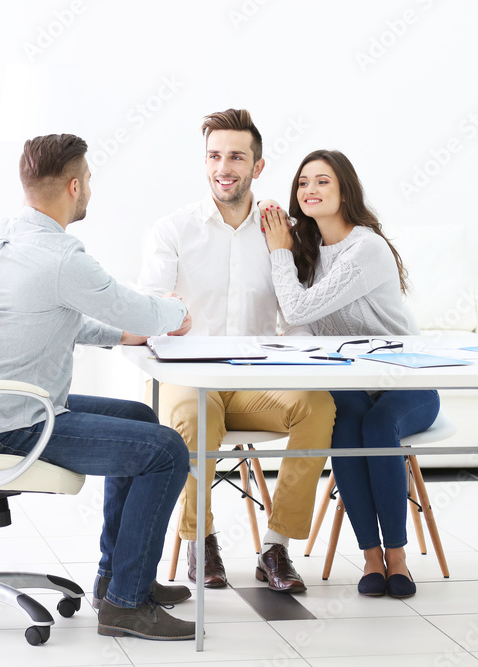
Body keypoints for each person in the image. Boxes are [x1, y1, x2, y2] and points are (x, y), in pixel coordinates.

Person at [0, 134, 197, 640]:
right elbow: (138, 307)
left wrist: (119, 336)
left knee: (141, 420)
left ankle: (119, 579)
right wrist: (176, 313)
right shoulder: (60, 255)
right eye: (89, 183)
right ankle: (126, 605)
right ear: (74, 185)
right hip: (14, 426)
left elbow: (49, 319)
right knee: (167, 450)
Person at [138, 109, 336, 593]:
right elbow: (147, 309)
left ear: (258, 166)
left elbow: (297, 317)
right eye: (214, 155)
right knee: (192, 416)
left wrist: (302, 362)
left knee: (319, 405)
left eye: (236, 157)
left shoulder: (280, 230)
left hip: (255, 381)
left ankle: (276, 547)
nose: (223, 167)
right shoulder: (174, 229)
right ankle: (200, 540)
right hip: (189, 376)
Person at [260, 149, 440, 598]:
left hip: (405, 379)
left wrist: (278, 253)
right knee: (341, 425)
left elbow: (298, 306)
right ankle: (371, 558)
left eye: (322, 181)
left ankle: (396, 556)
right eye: (303, 183)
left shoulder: (366, 248)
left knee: (378, 425)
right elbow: (297, 325)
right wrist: (288, 256)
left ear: (345, 191)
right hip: (351, 381)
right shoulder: (306, 252)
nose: (310, 190)